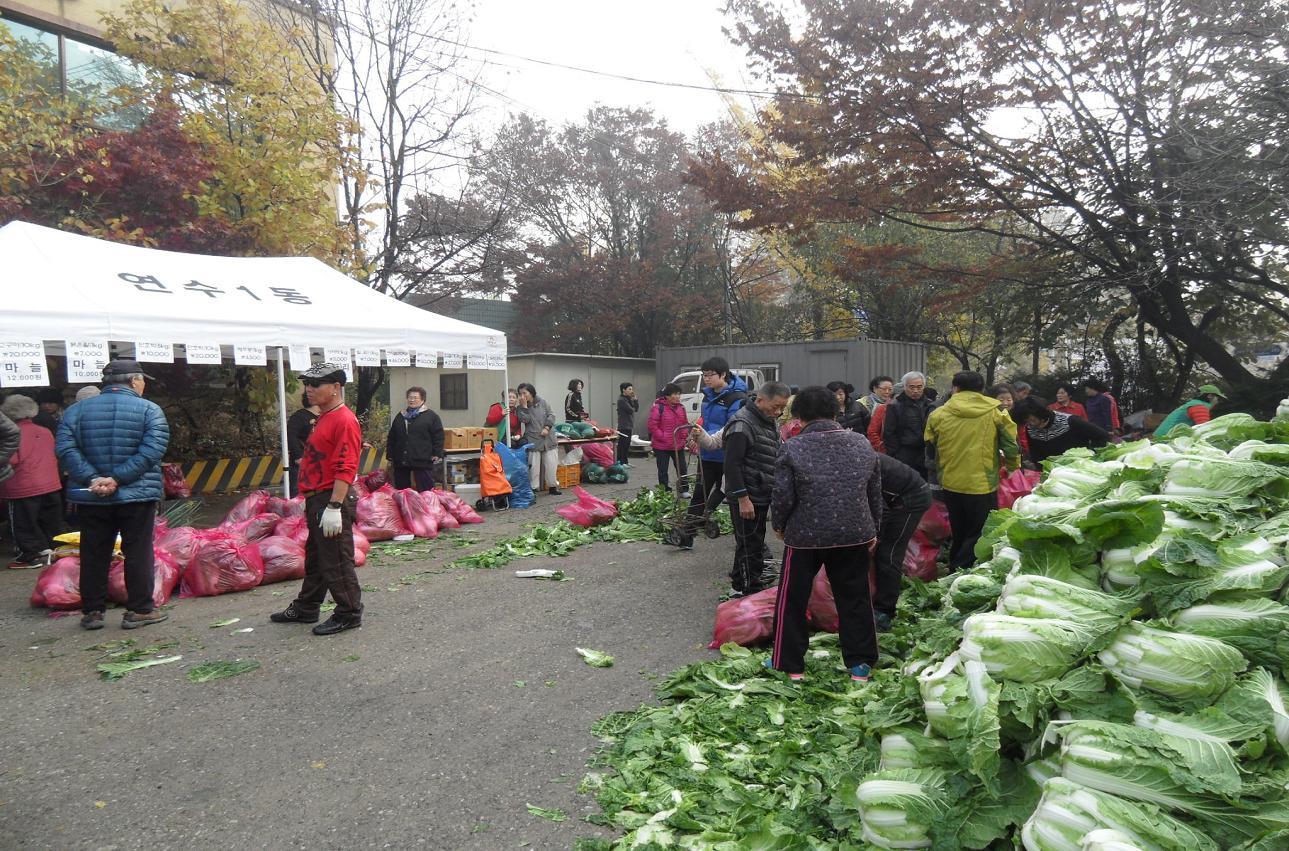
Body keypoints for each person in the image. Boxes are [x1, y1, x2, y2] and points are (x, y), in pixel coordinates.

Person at [768, 385, 883, 683]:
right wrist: (874, 528)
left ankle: (790, 665)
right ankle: (860, 665)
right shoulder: (860, 444)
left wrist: (779, 525)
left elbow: (782, 496)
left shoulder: (793, 447)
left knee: (793, 598)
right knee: (855, 597)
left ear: (799, 417)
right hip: (854, 533)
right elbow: (874, 491)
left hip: (805, 536)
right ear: (835, 412)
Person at [56, 359, 170, 631]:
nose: (143, 385)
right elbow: (153, 450)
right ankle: (140, 610)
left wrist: (93, 479)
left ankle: (92, 612)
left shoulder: (75, 412)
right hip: (137, 495)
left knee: (94, 552)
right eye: (142, 380)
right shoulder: (150, 411)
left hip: (92, 495)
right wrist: (118, 478)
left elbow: (66, 449)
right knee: (138, 551)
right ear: (133, 381)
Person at [271, 362, 364, 636]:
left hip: (329, 498)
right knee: (317, 557)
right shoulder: (324, 416)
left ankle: (348, 613)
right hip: (318, 498)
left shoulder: (344, 420)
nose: (309, 389)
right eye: (307, 384)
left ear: (336, 387)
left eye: (316, 384)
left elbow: (346, 466)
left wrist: (335, 506)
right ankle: (308, 606)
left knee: (335, 559)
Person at [924, 371, 1020, 571]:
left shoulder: (938, 413)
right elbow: (1010, 444)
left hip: (950, 481)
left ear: (955, 388)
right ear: (982, 389)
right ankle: (963, 567)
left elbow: (931, 445)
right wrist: (1012, 466)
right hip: (982, 484)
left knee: (958, 528)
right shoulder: (996, 412)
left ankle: (955, 565)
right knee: (979, 530)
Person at [723, 381, 790, 597]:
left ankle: (737, 585)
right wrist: (743, 498)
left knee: (751, 542)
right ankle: (750, 590)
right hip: (747, 496)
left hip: (761, 492)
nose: (779, 412)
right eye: (776, 406)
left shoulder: (767, 419)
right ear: (760, 400)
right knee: (750, 546)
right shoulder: (742, 424)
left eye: (783, 408)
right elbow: (731, 465)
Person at [683, 357, 748, 546]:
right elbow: (705, 419)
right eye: (704, 375)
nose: (706, 379)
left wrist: (704, 436)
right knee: (699, 493)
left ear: (723, 375)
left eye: (710, 375)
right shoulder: (707, 396)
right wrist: (695, 433)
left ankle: (747, 544)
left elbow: (731, 427)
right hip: (707, 455)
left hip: (727, 455)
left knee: (726, 491)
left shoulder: (737, 399)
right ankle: (687, 534)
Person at [872, 453, 932, 632]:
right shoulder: (851, 458)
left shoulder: (859, 465)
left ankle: (884, 611)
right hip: (895, 497)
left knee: (888, 554)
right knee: (881, 551)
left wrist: (873, 539)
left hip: (912, 499)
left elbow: (881, 511)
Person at [1, 395, 63, 569]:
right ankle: (52, 550)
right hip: (51, 483)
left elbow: (11, 459)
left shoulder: (11, 433)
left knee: (23, 523)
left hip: (23, 485)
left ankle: (28, 557)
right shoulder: (44, 431)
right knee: (50, 521)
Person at [1016, 395, 1110, 463]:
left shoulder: (1070, 421)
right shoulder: (1030, 429)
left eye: (1033, 420)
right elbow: (1036, 454)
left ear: (1041, 413)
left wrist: (1092, 454)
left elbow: (1102, 435)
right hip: (1054, 473)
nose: (1031, 424)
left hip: (1080, 467)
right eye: (1028, 421)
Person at [386, 386, 444, 492]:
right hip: (401, 459)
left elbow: (438, 436)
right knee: (403, 490)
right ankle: (406, 507)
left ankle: (427, 507)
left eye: (415, 398)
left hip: (422, 458)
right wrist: (390, 454)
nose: (411, 400)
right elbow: (392, 436)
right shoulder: (401, 416)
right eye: (409, 397)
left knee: (426, 490)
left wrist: (437, 453)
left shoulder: (431, 416)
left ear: (422, 400)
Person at [882, 371, 934, 478]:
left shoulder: (930, 405)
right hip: (905, 452)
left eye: (919, 387)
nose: (915, 391)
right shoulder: (895, 405)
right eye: (911, 387)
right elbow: (889, 433)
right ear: (905, 387)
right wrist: (896, 454)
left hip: (925, 452)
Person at [517, 383, 560, 496]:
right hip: (533, 438)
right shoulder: (520, 408)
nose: (522, 396)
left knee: (551, 464)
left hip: (548, 438)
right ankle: (533, 488)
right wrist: (525, 407)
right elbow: (525, 420)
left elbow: (551, 415)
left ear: (531, 393)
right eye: (520, 394)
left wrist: (547, 427)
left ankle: (552, 486)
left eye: (524, 393)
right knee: (533, 466)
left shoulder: (543, 402)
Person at [647, 383, 689, 491]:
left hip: (678, 444)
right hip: (661, 446)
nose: (678, 397)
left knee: (682, 468)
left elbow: (684, 423)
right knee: (663, 470)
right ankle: (664, 490)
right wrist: (663, 436)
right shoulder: (658, 407)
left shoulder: (681, 408)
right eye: (675, 394)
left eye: (679, 394)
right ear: (667, 396)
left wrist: (684, 434)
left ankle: (684, 489)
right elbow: (652, 425)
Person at [1153, 384, 1226, 439]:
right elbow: (1204, 431)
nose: (1217, 402)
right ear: (1210, 396)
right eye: (1218, 398)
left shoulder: (1192, 404)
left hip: (1162, 437)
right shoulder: (1199, 407)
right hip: (1166, 439)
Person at [286, 393, 320, 498]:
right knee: (298, 497)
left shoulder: (327, 416)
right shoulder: (299, 417)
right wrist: (298, 456)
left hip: (321, 463)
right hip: (303, 463)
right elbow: (291, 436)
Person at [989, 384, 1028, 459]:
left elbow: (1022, 440)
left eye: (1009, 400)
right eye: (1001, 400)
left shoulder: (1018, 417)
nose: (1005, 403)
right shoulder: (988, 418)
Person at [616, 382, 638, 466]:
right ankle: (620, 462)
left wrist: (635, 400)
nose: (631, 391)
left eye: (632, 389)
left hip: (629, 425)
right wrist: (632, 403)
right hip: (623, 425)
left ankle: (625, 461)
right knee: (622, 444)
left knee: (627, 444)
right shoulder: (621, 400)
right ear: (623, 390)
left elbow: (636, 409)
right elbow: (631, 410)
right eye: (629, 389)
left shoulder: (628, 398)